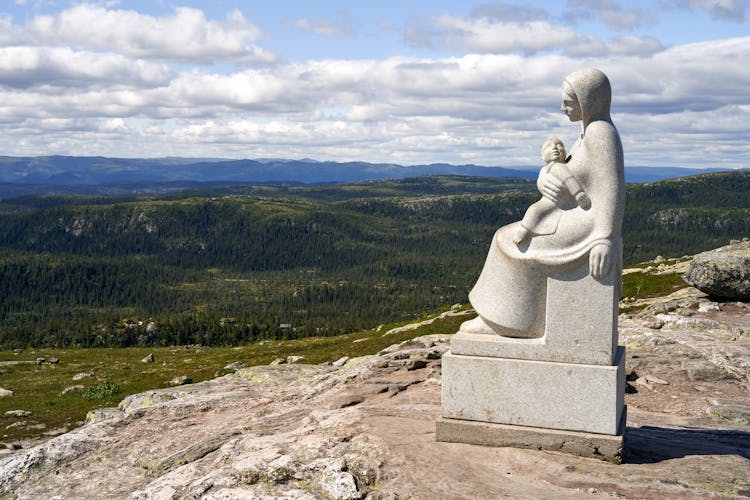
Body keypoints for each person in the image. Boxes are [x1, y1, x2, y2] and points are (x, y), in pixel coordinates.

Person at [460, 68, 625, 338]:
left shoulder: (600, 133)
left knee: (509, 244)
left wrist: (604, 238)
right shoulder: (587, 132)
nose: (563, 107)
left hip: (586, 221)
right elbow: (563, 171)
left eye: (569, 101)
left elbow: (612, 190)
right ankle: (507, 319)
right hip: (572, 213)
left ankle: (509, 322)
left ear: (588, 101)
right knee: (506, 237)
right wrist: (543, 178)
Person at [513, 137, 591, 246]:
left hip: (557, 202)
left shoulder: (559, 167)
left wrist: (578, 194)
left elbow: (569, 180)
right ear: (542, 155)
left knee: (534, 210)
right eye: (549, 146)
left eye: (559, 145)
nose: (555, 148)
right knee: (535, 209)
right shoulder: (544, 170)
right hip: (547, 199)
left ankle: (524, 230)